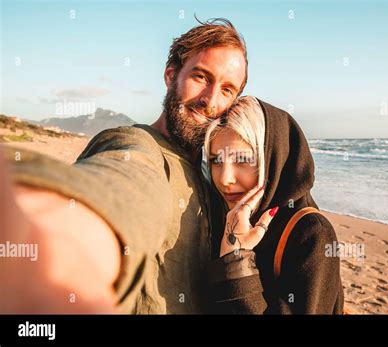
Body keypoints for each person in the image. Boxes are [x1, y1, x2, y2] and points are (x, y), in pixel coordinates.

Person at [0, 18, 247, 314]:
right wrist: (53, 251)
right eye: (201, 77)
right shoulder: (137, 145)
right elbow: (124, 183)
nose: (210, 100)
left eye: (227, 89)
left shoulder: (215, 173)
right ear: (171, 75)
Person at [203, 96, 344, 314]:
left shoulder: (312, 234)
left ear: (274, 159)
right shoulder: (220, 216)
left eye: (242, 160)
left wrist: (236, 260)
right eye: (216, 160)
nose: (225, 179)